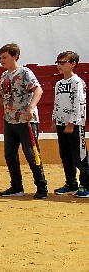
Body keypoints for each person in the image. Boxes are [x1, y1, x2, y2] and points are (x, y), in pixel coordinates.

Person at [0, 43, 48, 199]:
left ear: (15, 56)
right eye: (0, 57)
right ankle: (17, 187)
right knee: (10, 155)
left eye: (4, 57)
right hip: (10, 120)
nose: (1, 60)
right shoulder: (4, 76)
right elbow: (2, 97)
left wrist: (31, 107)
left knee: (31, 154)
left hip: (26, 121)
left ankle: (42, 187)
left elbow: (38, 90)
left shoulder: (25, 72)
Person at [51, 51, 88, 197]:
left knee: (80, 156)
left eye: (62, 63)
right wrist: (55, 120)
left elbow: (79, 104)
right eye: (58, 63)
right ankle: (71, 183)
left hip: (75, 124)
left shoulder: (77, 82)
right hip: (61, 123)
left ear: (73, 64)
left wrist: (72, 122)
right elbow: (57, 103)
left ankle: (86, 185)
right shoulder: (59, 83)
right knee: (65, 155)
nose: (59, 66)